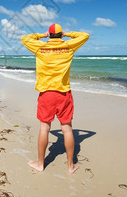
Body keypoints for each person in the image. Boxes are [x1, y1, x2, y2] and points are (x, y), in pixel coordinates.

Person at [21, 23, 89, 173]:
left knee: (44, 128)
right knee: (67, 129)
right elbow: (85, 35)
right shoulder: (69, 46)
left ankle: (40, 164)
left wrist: (41, 35)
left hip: (46, 94)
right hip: (64, 93)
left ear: (50, 35)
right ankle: (71, 166)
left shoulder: (40, 47)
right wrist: (68, 34)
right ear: (60, 35)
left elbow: (25, 38)